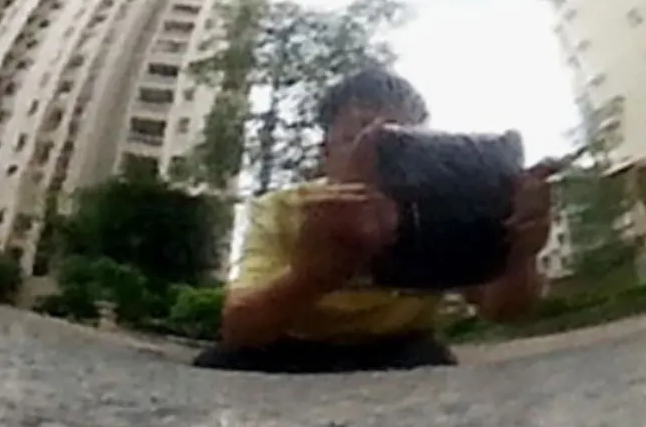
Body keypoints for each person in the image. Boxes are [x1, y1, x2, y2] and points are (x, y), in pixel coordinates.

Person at [193, 67, 555, 373]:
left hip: (402, 348)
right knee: (216, 364)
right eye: (357, 138)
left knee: (434, 365)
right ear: (326, 156)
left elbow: (503, 310)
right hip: (290, 342)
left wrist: (519, 255)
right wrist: (311, 277)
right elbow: (239, 328)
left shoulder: (442, 207)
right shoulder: (282, 208)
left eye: (402, 143)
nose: (377, 158)